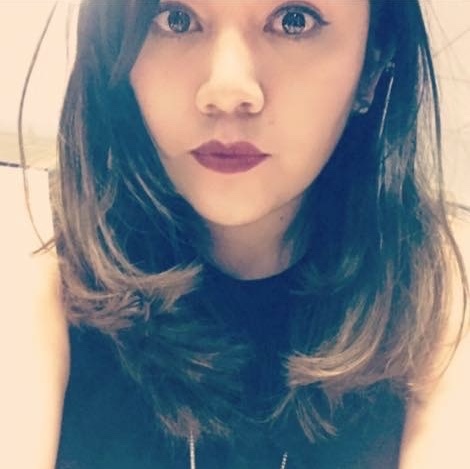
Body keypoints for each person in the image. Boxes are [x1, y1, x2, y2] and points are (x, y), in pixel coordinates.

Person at [3, 0, 470, 468]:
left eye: (294, 21)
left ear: (372, 65)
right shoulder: (33, 254)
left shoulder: (444, 287)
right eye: (176, 19)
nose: (227, 91)